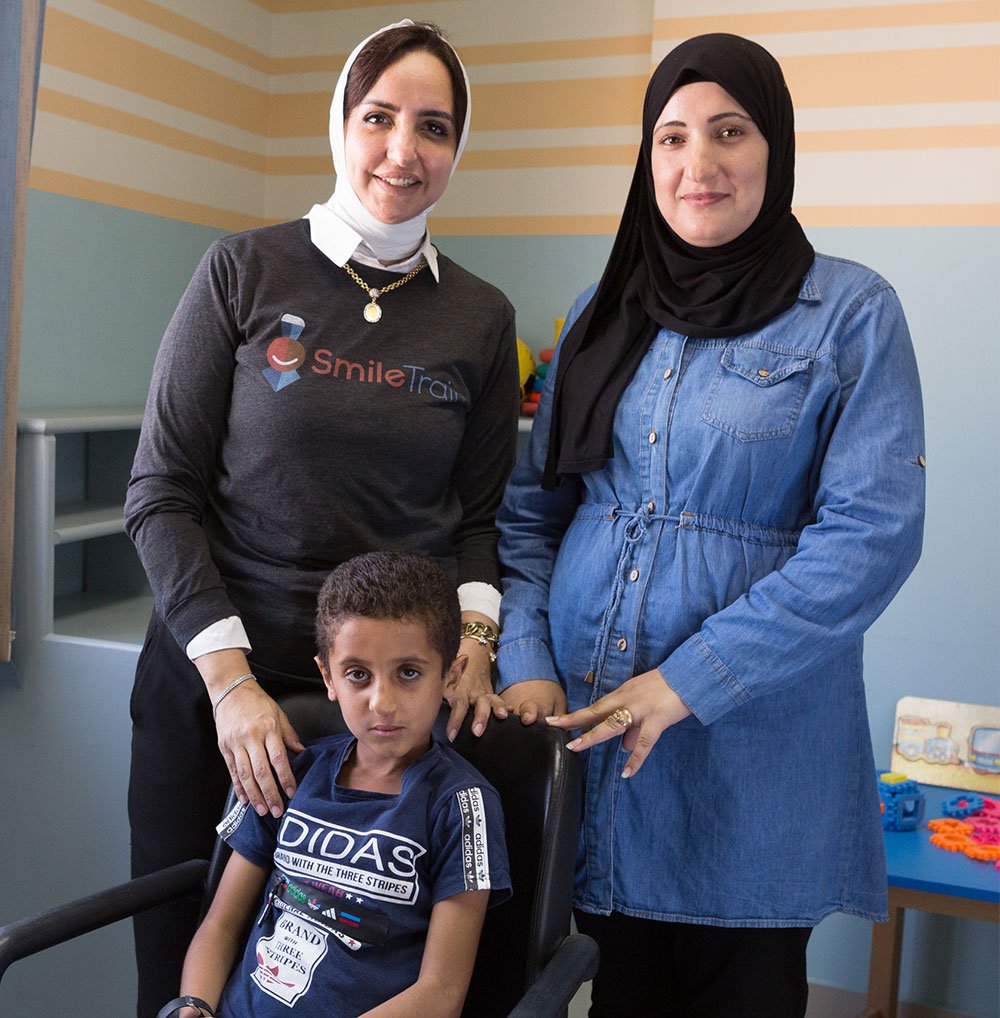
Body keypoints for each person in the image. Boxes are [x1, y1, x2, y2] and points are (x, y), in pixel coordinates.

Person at [496, 32, 925, 1018]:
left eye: (728, 132)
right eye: (672, 137)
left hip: (748, 757)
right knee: (610, 989)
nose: (698, 164)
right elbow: (530, 517)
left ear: (772, 149)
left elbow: (871, 535)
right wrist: (526, 658)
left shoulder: (849, 313)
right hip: (591, 745)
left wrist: (684, 683)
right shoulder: (596, 312)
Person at [124, 21, 517, 1016]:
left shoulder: (479, 317)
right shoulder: (242, 270)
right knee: (185, 970)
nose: (403, 149)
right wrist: (229, 686)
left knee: (358, 981)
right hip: (217, 692)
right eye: (379, 116)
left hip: (384, 709)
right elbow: (159, 493)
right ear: (341, 123)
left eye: (433, 127)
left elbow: (478, 521)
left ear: (458, 151)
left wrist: (473, 638)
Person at [156, 551, 511, 1018]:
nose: (381, 702)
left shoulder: (461, 805)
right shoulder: (289, 771)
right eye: (358, 675)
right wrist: (194, 1006)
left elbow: (441, 994)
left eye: (408, 673)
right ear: (328, 676)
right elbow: (220, 924)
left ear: (450, 674)